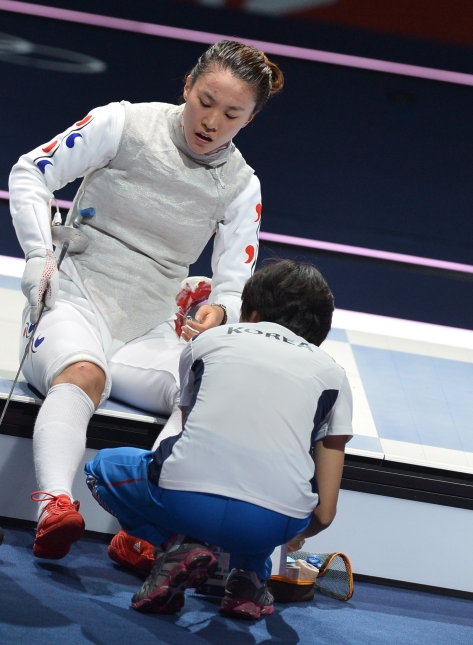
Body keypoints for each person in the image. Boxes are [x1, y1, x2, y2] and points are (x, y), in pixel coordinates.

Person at [8, 40, 283, 560]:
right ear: (187, 86)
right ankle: (55, 505)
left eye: (231, 114)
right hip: (75, 295)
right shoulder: (123, 123)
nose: (211, 122)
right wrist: (39, 254)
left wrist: (218, 310)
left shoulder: (242, 185)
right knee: (83, 372)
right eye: (205, 101)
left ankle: (145, 528)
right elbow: (30, 171)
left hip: (152, 325)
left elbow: (232, 281)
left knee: (208, 390)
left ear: (249, 119)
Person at [84, 260, 353, 621]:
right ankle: (247, 582)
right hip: (271, 523)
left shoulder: (206, 342)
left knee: (100, 468)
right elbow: (324, 512)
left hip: (186, 502)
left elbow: (197, 441)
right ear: (320, 329)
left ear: (252, 312)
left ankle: (175, 548)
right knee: (265, 495)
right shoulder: (334, 374)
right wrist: (289, 536)